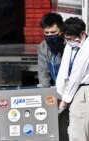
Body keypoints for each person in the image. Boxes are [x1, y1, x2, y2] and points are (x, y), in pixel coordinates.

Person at [56, 17, 89, 141]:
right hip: (73, 90)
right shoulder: (71, 44)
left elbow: (76, 76)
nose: (68, 41)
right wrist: (59, 93)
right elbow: (64, 70)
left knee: (78, 135)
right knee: (67, 130)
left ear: (82, 33)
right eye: (66, 38)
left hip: (86, 91)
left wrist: (64, 101)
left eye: (71, 38)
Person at [37, 12, 69, 141]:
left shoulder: (68, 45)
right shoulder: (42, 47)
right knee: (57, 125)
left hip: (70, 90)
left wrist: (66, 95)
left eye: (53, 32)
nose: (50, 36)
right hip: (55, 91)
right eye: (47, 33)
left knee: (71, 127)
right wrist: (47, 94)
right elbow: (42, 72)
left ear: (61, 31)